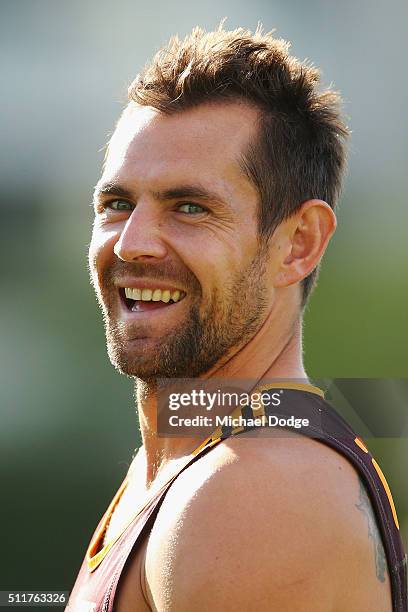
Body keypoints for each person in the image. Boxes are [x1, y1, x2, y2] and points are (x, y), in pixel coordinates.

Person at [67, 25, 407, 612]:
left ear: (299, 243)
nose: (132, 244)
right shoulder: (191, 452)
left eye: (191, 207)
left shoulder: (255, 494)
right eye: (117, 204)